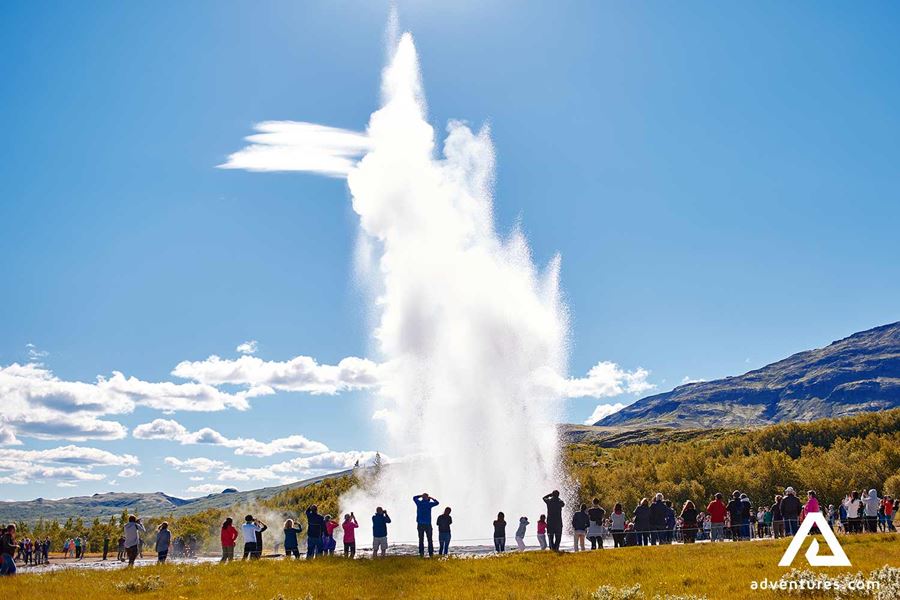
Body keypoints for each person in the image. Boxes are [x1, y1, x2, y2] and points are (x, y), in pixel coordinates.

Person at [413, 493, 440, 558]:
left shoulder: (419, 503)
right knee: (430, 539)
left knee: (421, 539)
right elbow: (437, 503)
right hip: (428, 524)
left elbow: (414, 497)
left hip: (420, 524)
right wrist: (431, 498)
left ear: (422, 497)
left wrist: (420, 495)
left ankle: (421, 553)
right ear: (427, 498)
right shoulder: (429, 504)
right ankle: (431, 553)